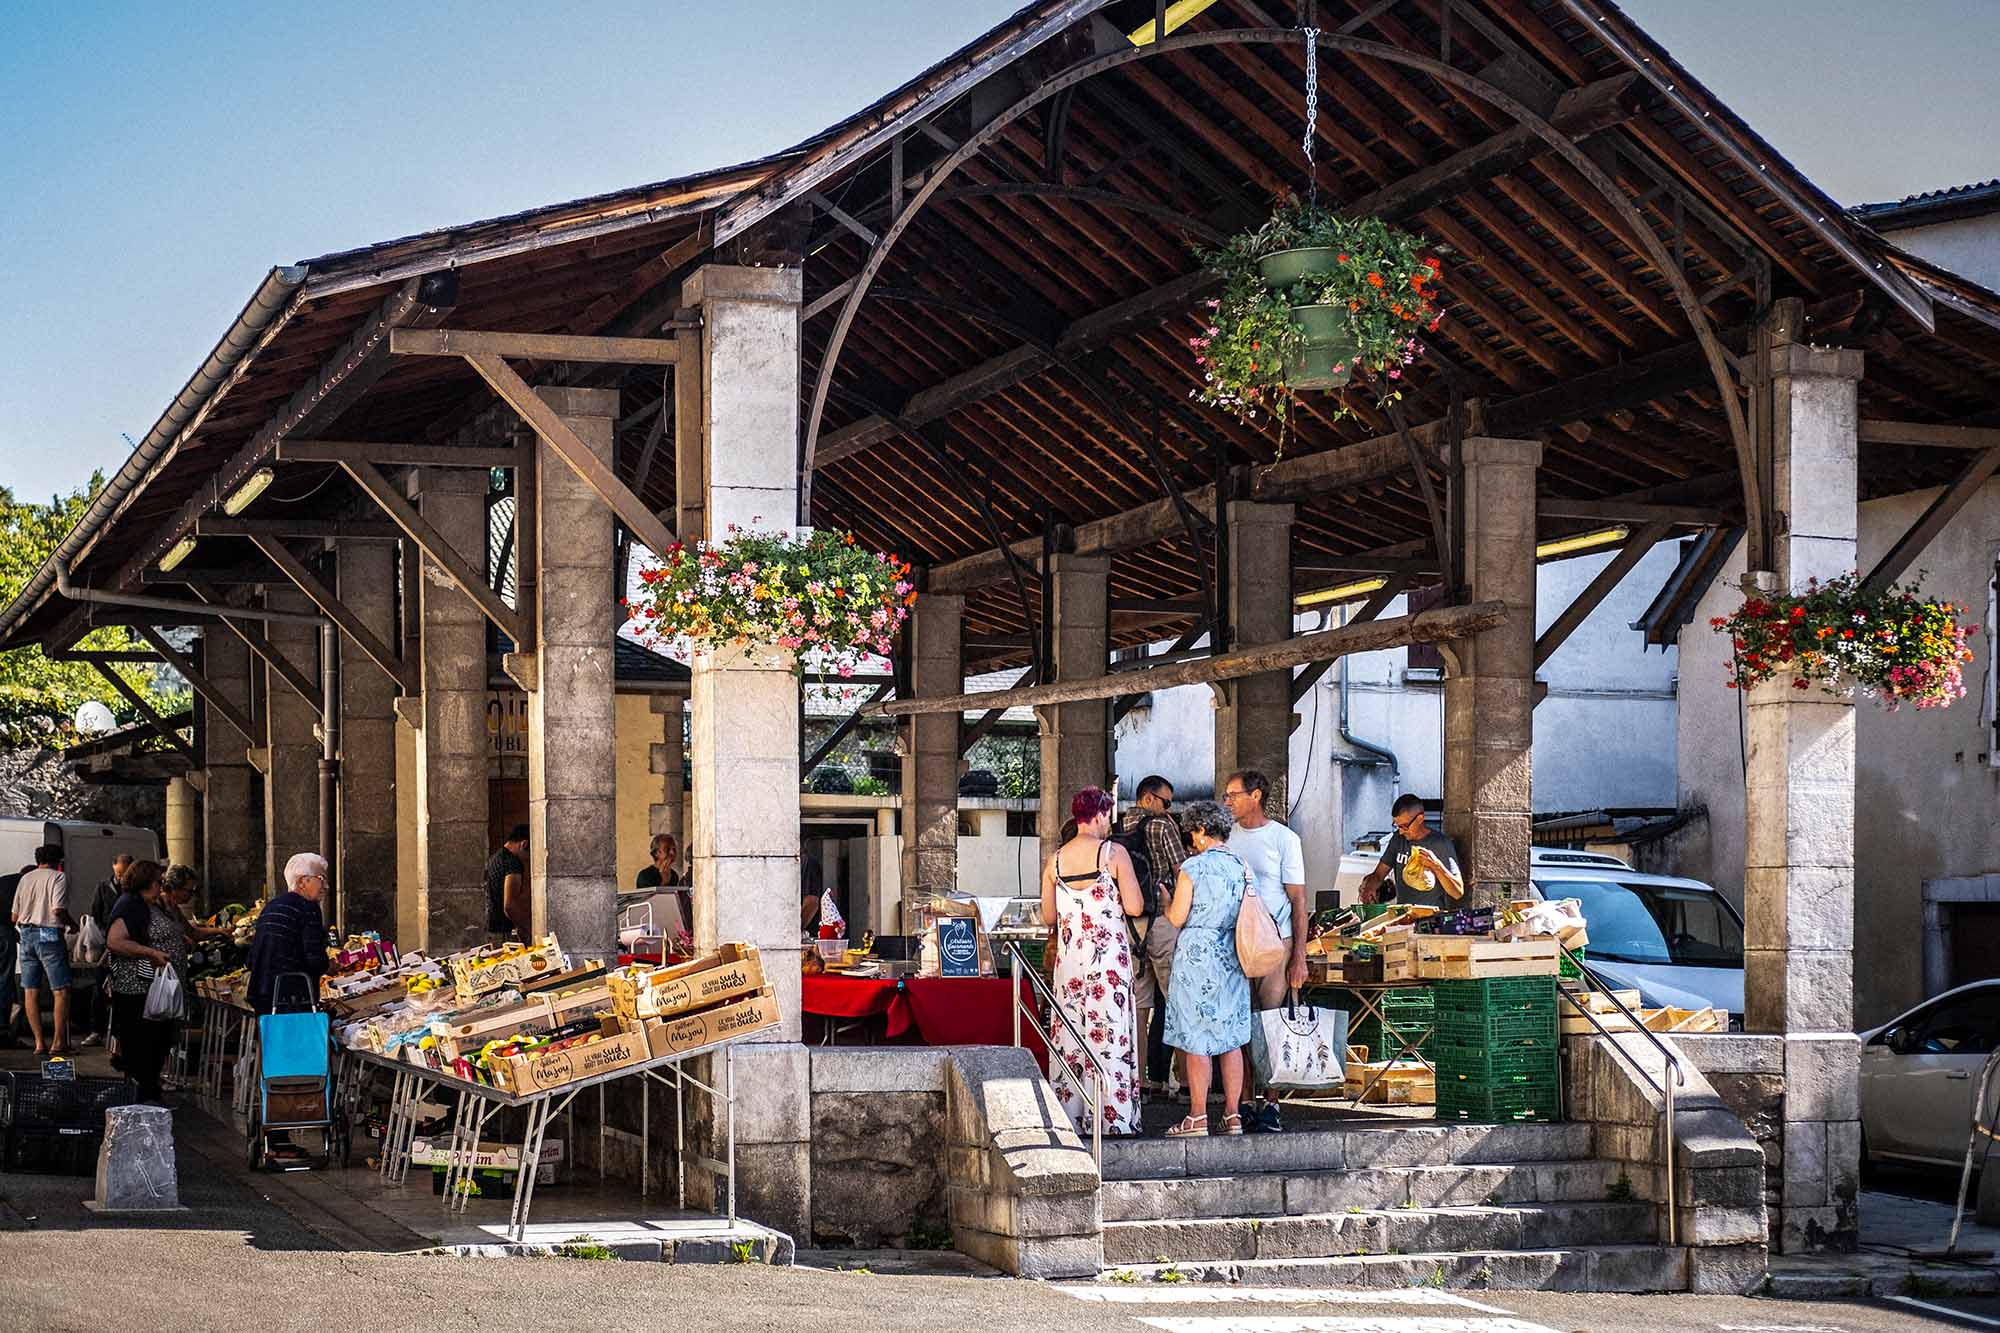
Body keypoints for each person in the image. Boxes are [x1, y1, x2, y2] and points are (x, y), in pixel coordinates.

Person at [1040, 787, 1144, 1137]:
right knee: (1109, 1032)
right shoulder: (1112, 854)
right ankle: (1112, 1119)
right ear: (1100, 815)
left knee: (1071, 1033)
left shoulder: (1055, 860)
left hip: (1070, 961)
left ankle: (1070, 1117)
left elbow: (1047, 916)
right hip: (1107, 961)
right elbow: (1134, 907)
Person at [1160, 800, 1253, 1138]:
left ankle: (1197, 1117)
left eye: (1193, 833)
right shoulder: (1242, 866)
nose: (1193, 839)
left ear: (1201, 830)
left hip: (1198, 955)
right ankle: (1232, 1116)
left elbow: (1177, 918)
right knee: (1231, 1037)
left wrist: (1167, 900)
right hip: (1232, 953)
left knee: (1195, 1036)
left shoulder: (1193, 868)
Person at [1221, 769, 1307, 1133]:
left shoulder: (1284, 839)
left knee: (1270, 1019)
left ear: (1255, 795)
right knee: (1239, 1023)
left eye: (1233, 794)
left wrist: (1299, 956)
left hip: (1276, 939)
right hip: (1235, 940)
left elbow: (1299, 900)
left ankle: (1271, 1102)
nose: (1227, 801)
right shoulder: (1224, 838)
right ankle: (1243, 1102)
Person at [1117, 775, 1185, 1094]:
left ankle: (1140, 1080)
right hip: (1162, 919)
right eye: (1166, 802)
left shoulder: (1120, 827)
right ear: (1148, 798)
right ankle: (1187, 1081)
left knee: (1139, 1006)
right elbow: (1181, 871)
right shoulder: (1161, 826)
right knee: (1177, 999)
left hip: (1130, 924)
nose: (1169, 808)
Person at [104, 859, 175, 1101]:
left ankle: (146, 1090)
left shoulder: (144, 904)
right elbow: (115, 941)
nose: (161, 887)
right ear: (146, 882)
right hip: (134, 988)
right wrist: (151, 953)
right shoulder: (130, 905)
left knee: (154, 1040)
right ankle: (141, 1095)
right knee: (140, 1042)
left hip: (145, 987)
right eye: (158, 882)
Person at [12, 844, 75, 1056]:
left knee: (30, 990)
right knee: (61, 989)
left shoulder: (25, 878)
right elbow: (58, 910)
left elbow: (14, 916)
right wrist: (72, 925)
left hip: (26, 934)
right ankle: (58, 1042)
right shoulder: (58, 877)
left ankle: (39, 1043)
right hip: (48, 932)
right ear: (58, 860)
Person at [1358, 794, 1464, 907]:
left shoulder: (1441, 844)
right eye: (1397, 826)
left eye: (1405, 826)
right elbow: (1379, 875)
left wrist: (1436, 865)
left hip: (1430, 918)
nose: (1401, 832)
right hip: (1403, 916)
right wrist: (1369, 887)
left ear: (1420, 819)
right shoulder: (1397, 840)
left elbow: (1457, 892)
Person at [81, 853, 132, 1048]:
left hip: (128, 947)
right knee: (99, 989)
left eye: (125, 873)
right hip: (107, 946)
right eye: (119, 873)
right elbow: (96, 913)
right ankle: (97, 1030)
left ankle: (120, 1033)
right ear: (113, 868)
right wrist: (108, 934)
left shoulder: (133, 891)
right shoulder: (103, 887)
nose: (121, 877)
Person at [484, 826, 529, 942]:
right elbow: (509, 905)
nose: (528, 859)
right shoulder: (512, 862)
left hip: (490, 928)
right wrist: (525, 930)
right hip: (504, 931)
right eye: (529, 855)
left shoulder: (495, 858)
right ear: (524, 844)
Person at [0, 864, 23, 1049]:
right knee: (5, 980)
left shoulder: (5, 881)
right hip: (3, 934)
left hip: (5, 930)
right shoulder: (23, 882)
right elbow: (15, 916)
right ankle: (3, 1031)